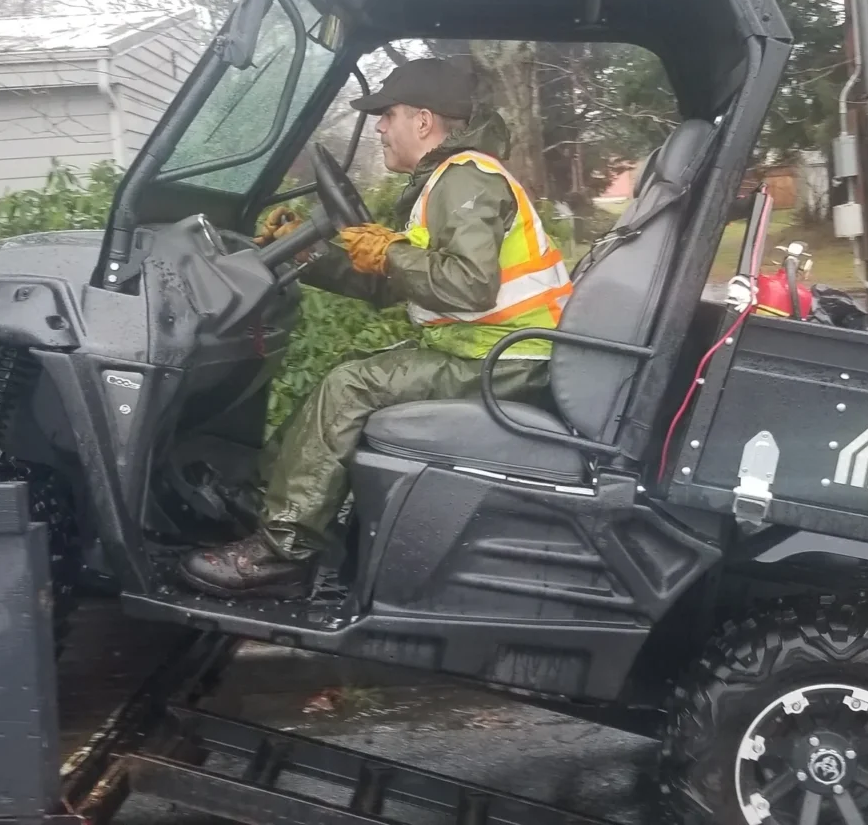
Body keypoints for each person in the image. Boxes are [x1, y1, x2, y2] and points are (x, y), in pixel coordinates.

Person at [180, 57, 574, 599]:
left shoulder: (466, 179)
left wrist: (387, 251)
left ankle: (282, 554)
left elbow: (467, 286)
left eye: (387, 115)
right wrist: (311, 251)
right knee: (350, 374)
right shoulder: (444, 180)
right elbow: (395, 283)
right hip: (489, 351)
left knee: (352, 385)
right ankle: (267, 499)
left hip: (506, 362)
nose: (380, 127)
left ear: (424, 121)